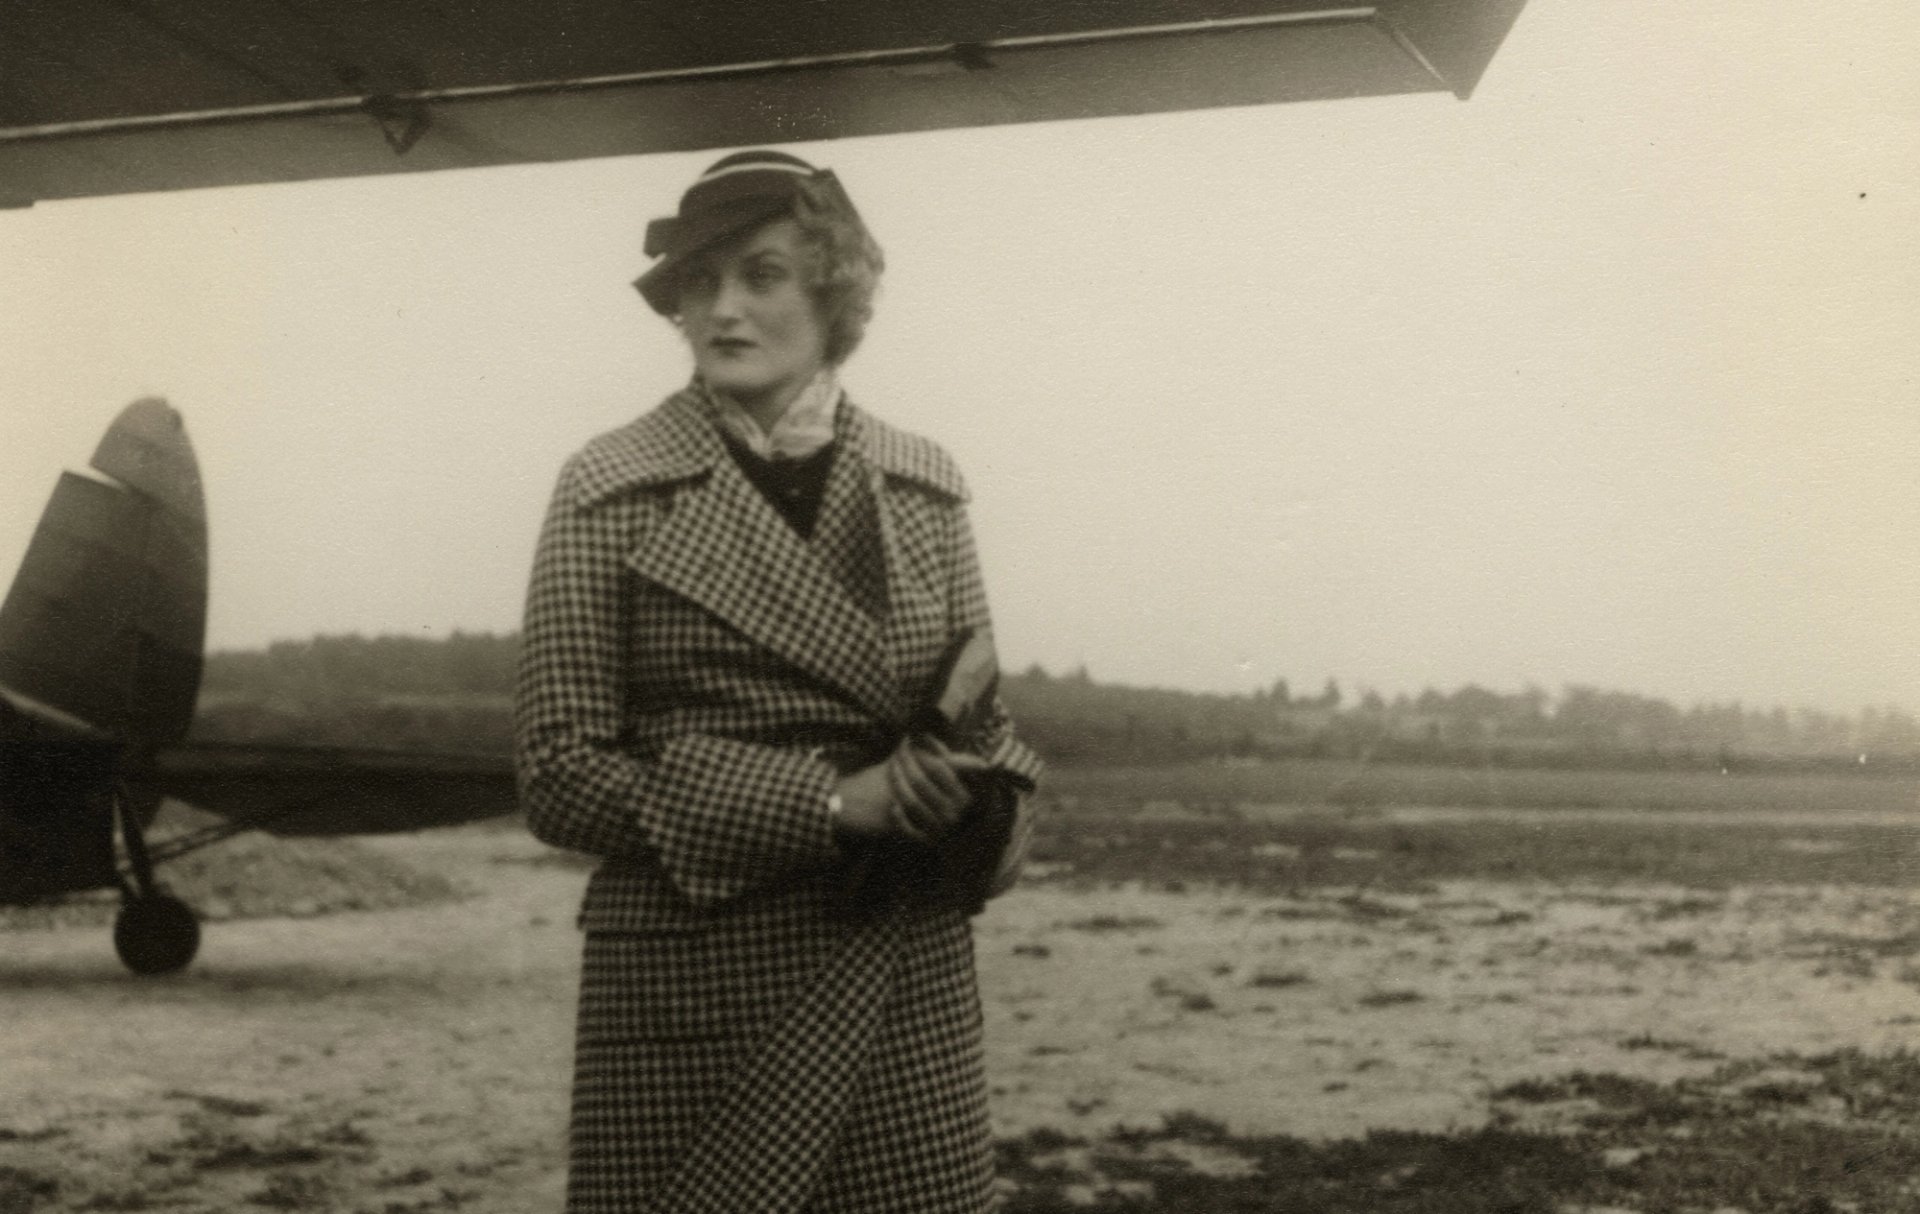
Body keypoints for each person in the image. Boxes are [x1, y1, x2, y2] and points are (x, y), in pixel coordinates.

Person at [513, 148, 1043, 1214]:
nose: (723, 310)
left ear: (833, 294)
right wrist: (830, 801)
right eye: (698, 285)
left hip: (902, 969)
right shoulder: (608, 486)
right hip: (700, 990)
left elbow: (990, 720)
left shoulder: (926, 485)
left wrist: (980, 800)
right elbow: (559, 774)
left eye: (761, 275)